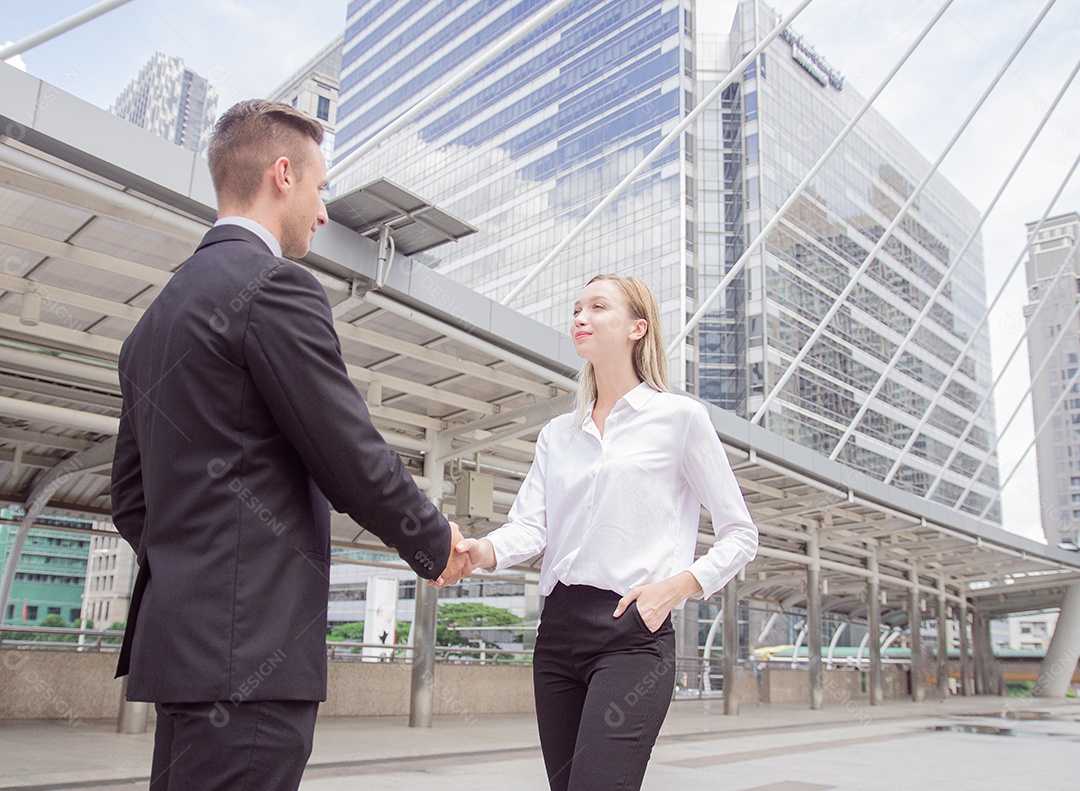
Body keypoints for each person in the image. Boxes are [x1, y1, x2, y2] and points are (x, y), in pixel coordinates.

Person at [110, 99, 472, 791]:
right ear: (283, 174)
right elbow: (349, 453)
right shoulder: (275, 288)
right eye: (320, 186)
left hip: (181, 653)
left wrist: (197, 574)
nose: (325, 210)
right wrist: (435, 541)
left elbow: (131, 499)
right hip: (252, 653)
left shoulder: (152, 323)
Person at [457, 274, 758, 791]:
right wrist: (477, 551)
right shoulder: (558, 434)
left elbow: (740, 533)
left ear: (637, 328)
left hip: (630, 636)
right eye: (576, 308)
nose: (580, 317)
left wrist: (678, 586)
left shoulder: (680, 418)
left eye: (597, 307)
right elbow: (532, 528)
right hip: (556, 634)